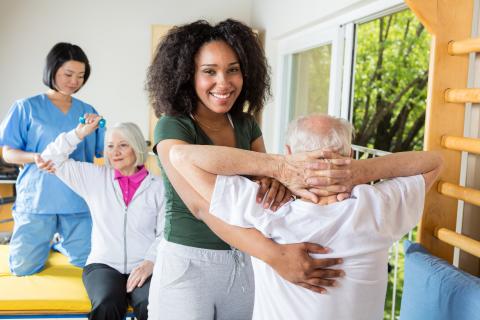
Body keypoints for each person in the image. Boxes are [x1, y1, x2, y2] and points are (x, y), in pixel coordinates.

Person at [146, 19, 350, 320]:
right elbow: (201, 205)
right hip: (187, 265)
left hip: (246, 261)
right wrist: (276, 256)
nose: (224, 82)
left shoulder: (245, 124)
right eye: (209, 71)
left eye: (233, 69)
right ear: (188, 75)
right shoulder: (172, 126)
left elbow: (267, 187)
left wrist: (275, 182)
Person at [169, 114, 443, 320]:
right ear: (349, 154)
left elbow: (180, 156)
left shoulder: (266, 207)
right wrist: (361, 172)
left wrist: (278, 167)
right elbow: (434, 161)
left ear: (289, 154)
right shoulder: (376, 208)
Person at [38, 115, 164, 320]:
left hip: (146, 263)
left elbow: (165, 232)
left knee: (149, 304)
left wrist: (151, 262)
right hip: (103, 264)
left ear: (137, 147)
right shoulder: (94, 178)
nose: (115, 152)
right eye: (110, 146)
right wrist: (80, 133)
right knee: (107, 302)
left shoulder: (158, 186)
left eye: (123, 145)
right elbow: (50, 158)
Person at [0, 42, 104, 276]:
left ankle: (58, 243)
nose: (74, 81)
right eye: (68, 74)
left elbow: (98, 154)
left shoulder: (88, 111)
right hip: (37, 198)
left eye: (80, 76)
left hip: (77, 199)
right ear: (52, 70)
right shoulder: (25, 107)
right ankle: (46, 242)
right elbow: (8, 152)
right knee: (22, 268)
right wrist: (34, 157)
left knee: (86, 263)